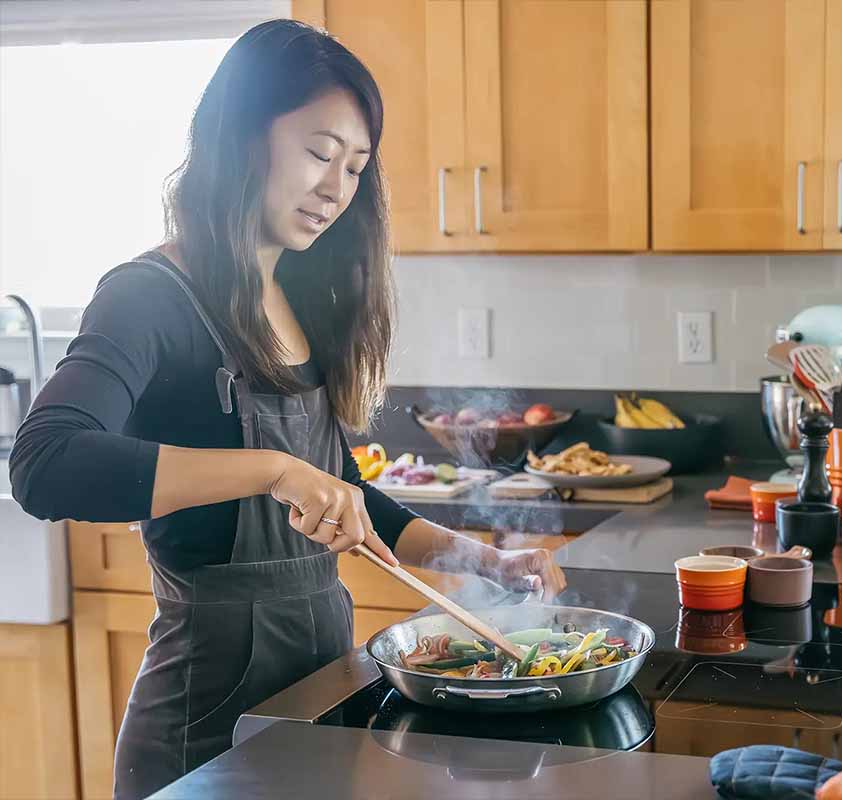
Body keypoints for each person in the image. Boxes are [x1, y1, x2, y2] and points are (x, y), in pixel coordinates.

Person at [8, 19, 565, 800]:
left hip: (322, 702)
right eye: (317, 152)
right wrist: (273, 469)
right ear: (240, 136)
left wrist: (483, 563)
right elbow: (45, 464)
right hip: (204, 735)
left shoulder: (301, 298)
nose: (337, 189)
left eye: (356, 166)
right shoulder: (148, 295)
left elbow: (340, 491)